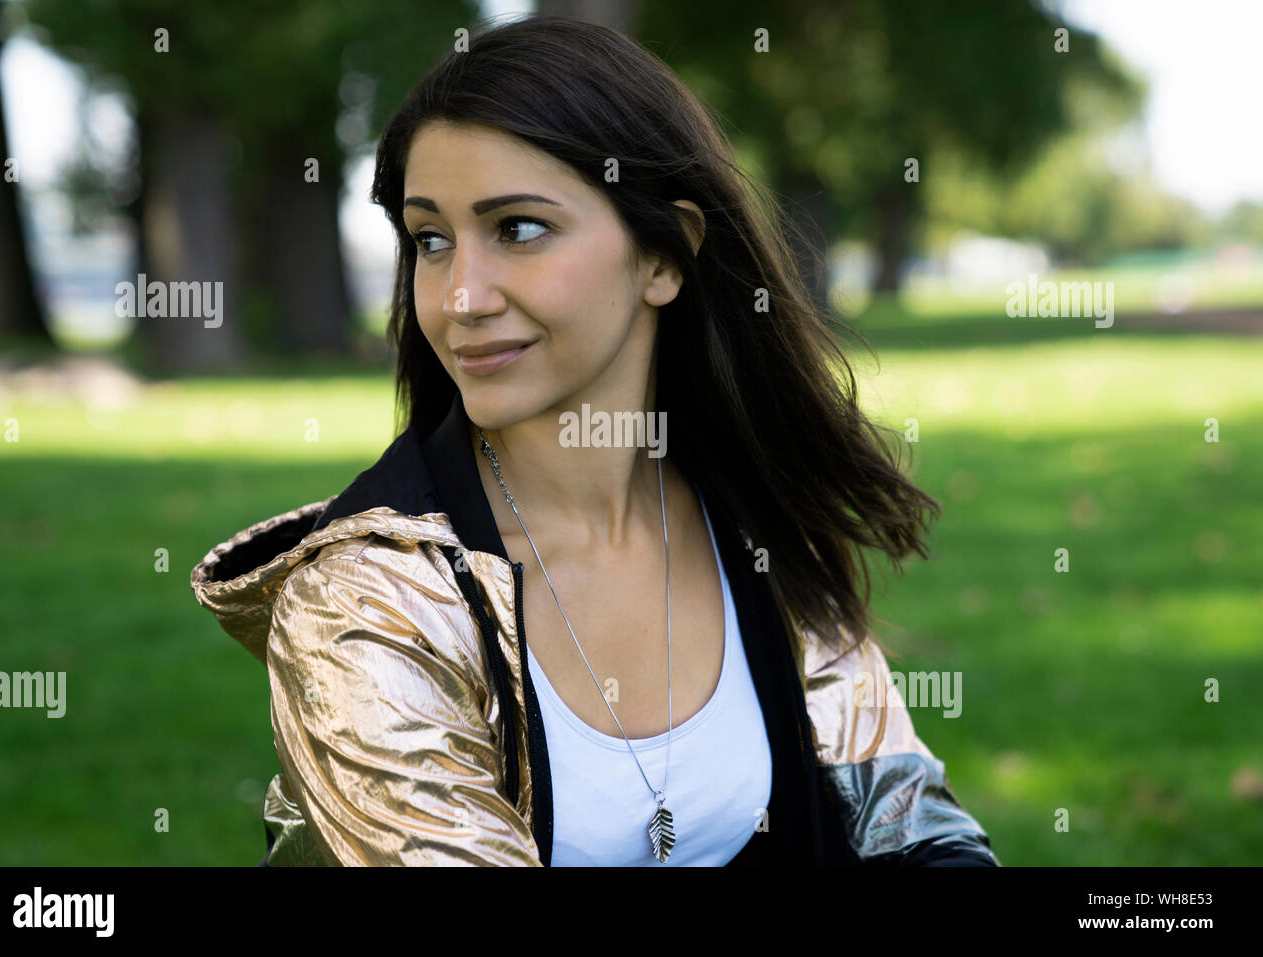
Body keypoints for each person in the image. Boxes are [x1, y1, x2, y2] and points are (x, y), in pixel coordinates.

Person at [191, 13, 999, 867]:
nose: (461, 296)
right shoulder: (367, 604)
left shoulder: (754, 519)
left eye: (519, 228)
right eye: (431, 240)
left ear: (664, 258)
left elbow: (913, 832)